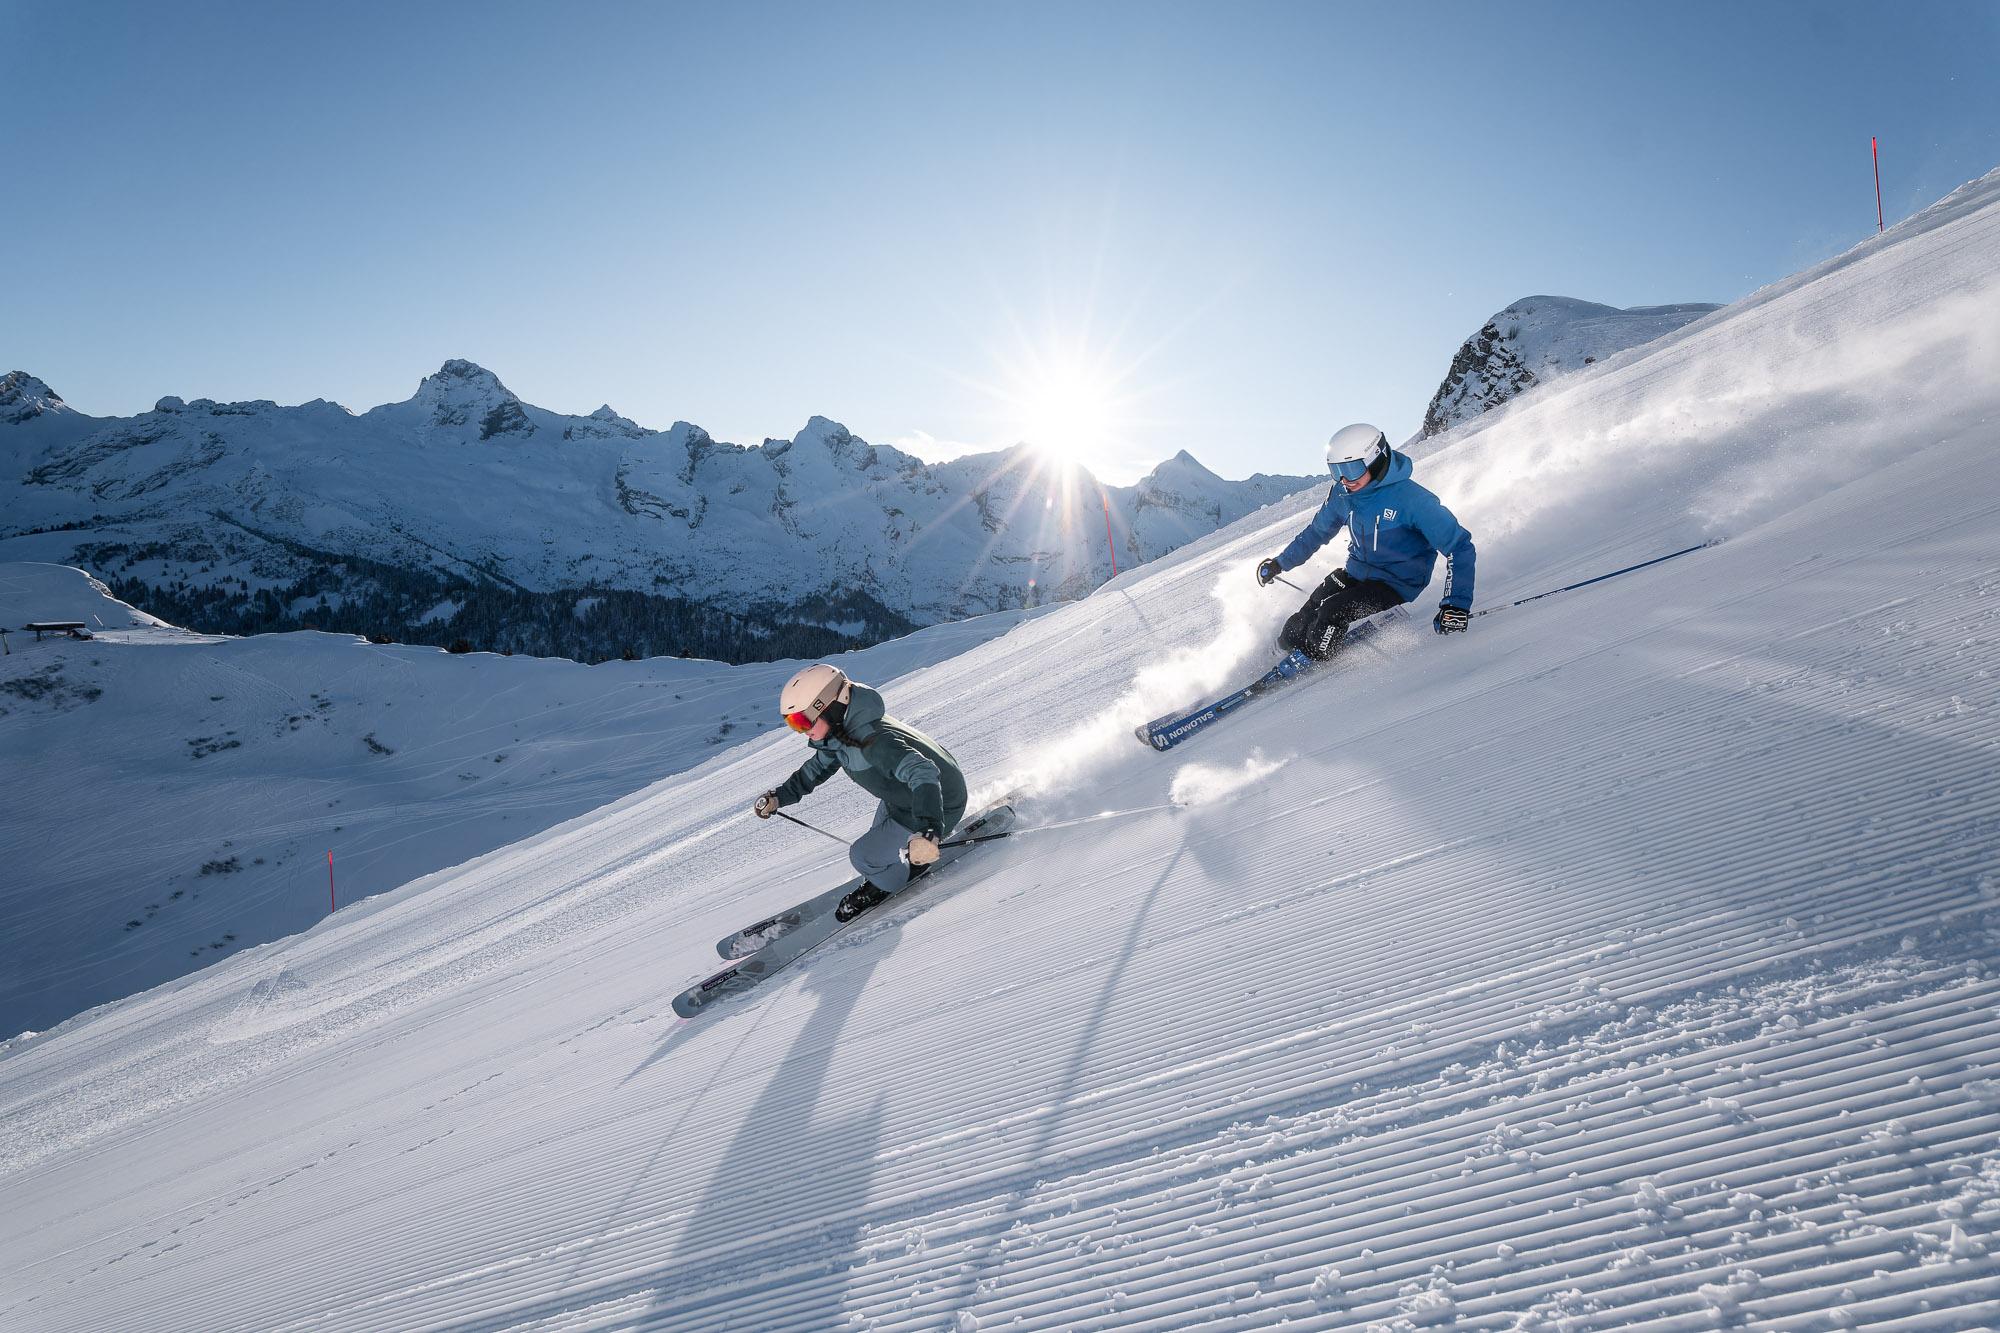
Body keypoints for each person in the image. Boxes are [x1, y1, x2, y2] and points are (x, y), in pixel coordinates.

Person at [754, 664, 968, 921]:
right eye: (792, 723)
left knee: (863, 856)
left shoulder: (872, 741)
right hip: (904, 798)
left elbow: (922, 772)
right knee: (875, 847)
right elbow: (813, 771)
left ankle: (903, 875)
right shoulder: (842, 733)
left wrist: (929, 830)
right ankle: (889, 866)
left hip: (940, 802)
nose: (801, 730)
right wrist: (779, 797)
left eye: (802, 720)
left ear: (830, 707)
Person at [1256, 423, 1476, 660]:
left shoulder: (1412, 500)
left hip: (1395, 584)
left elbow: (1459, 547)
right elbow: (1316, 532)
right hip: (1356, 573)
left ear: (1376, 459)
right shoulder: (1343, 495)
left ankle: (1313, 657)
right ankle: (1278, 655)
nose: (1344, 479)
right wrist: (1280, 563)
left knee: (1331, 612)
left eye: (1350, 469)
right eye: (1336, 470)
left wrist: (1455, 605)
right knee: (1303, 617)